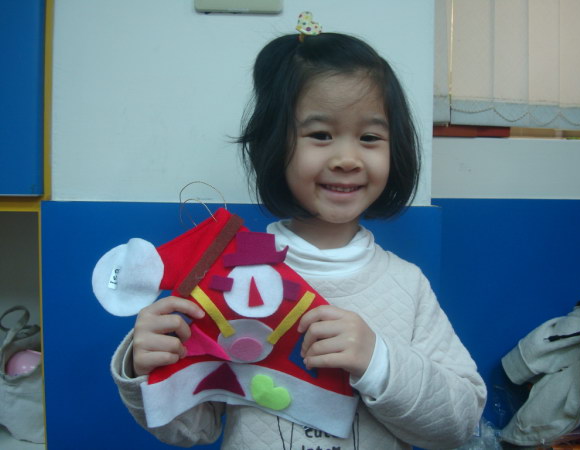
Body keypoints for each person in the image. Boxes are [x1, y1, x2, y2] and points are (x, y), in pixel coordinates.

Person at [110, 20, 486, 450]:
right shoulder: (230, 277)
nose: (347, 158)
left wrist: (379, 361)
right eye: (320, 135)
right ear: (274, 145)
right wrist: (147, 367)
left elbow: (458, 423)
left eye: (369, 137)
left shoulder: (408, 285)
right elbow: (192, 429)